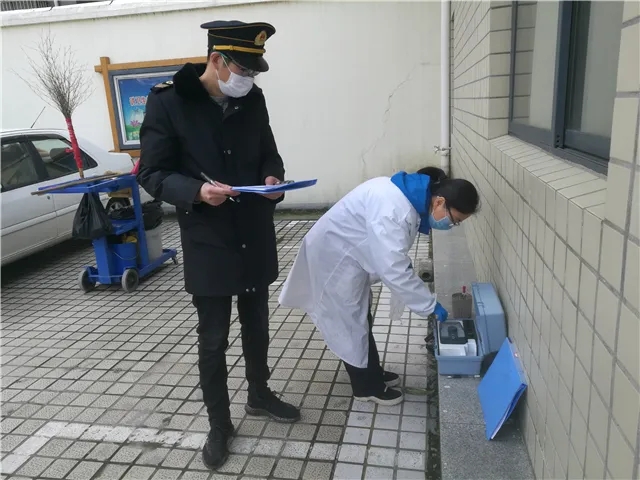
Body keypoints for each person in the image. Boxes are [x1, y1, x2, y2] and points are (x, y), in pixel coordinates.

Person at [137, 20, 300, 470]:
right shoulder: (168, 101)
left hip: (253, 231)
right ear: (217, 60)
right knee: (213, 340)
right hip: (209, 239)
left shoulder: (252, 99)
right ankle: (219, 424)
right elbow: (151, 173)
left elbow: (269, 151)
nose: (248, 79)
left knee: (257, 325)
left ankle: (259, 394)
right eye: (243, 70)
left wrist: (273, 177)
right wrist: (195, 191)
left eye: (253, 72)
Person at [279, 167, 479, 406]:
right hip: (333, 262)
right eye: (454, 220)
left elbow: (390, 256)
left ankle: (372, 371)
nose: (451, 225)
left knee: (359, 317)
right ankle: (366, 387)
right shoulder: (393, 208)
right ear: (439, 202)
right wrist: (429, 305)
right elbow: (393, 267)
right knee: (350, 323)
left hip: (343, 256)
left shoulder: (401, 198)